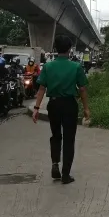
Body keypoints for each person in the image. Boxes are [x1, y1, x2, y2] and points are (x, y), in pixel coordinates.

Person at [32, 36, 90, 184]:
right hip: (70, 105)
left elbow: (42, 88)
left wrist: (36, 108)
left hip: (54, 105)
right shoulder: (76, 67)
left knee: (56, 135)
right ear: (69, 49)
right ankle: (65, 175)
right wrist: (86, 109)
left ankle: (55, 164)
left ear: (56, 49)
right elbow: (82, 89)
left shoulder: (48, 67)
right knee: (69, 140)